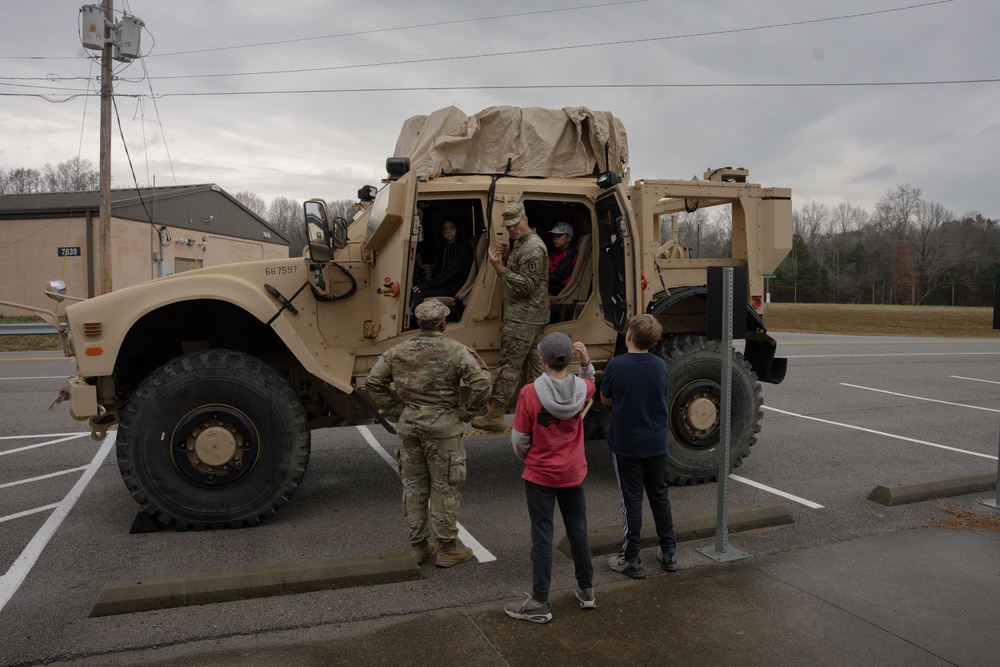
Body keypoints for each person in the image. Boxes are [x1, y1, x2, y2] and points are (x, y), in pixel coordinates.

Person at [366, 299, 493, 568]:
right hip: (443, 430)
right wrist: (465, 412)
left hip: (409, 428)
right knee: (444, 488)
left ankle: (419, 547)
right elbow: (482, 383)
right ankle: (447, 549)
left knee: (414, 488)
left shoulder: (397, 351)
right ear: (443, 323)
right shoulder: (455, 350)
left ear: (418, 323)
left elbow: (373, 381)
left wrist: (397, 410)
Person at [504, 332, 597, 624]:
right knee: (578, 530)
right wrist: (586, 363)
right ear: (569, 359)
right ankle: (586, 590)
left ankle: (540, 602)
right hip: (573, 472)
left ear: (542, 360)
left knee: (542, 537)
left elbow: (519, 439)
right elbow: (591, 381)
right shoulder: (582, 388)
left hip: (541, 474)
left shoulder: (529, 393)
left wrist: (530, 458)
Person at [599, 313, 678, 579]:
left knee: (631, 501)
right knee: (660, 496)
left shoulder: (617, 365)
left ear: (629, 335)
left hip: (626, 443)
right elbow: (661, 392)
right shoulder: (659, 365)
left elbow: (605, 398)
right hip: (655, 441)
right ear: (653, 341)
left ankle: (631, 558)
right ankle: (669, 551)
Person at [471, 202, 549, 431]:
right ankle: (543, 416)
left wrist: (500, 268)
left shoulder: (532, 248)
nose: (511, 229)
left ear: (525, 220)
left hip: (523, 319)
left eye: (515, 224)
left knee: (510, 368)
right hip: (530, 317)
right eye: (508, 226)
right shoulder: (523, 243)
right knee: (536, 370)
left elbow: (527, 285)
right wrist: (507, 256)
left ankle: (495, 415)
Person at [411, 219, 473, 315]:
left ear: (457, 229)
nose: (448, 231)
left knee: (419, 294)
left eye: (452, 228)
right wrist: (425, 284)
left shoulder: (463, 248)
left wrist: (428, 285)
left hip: (456, 287)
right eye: (445, 229)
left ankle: (418, 320)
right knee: (414, 290)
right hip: (444, 285)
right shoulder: (444, 248)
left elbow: (450, 273)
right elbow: (439, 271)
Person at [546, 222, 578, 296]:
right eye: (553, 236)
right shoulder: (555, 253)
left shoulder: (569, 254)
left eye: (559, 236)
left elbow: (557, 277)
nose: (555, 239)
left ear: (569, 238)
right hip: (552, 282)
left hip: (561, 287)